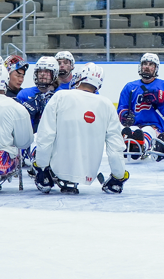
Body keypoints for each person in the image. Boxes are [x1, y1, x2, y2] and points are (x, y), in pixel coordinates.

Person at [32, 63, 129, 195]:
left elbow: (45, 136)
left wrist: (42, 167)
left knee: (34, 140)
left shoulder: (60, 96)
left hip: (57, 169)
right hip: (89, 174)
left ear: (80, 78)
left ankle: (44, 176)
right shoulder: (107, 105)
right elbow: (115, 146)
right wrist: (118, 176)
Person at [117, 53, 164, 157]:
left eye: (151, 64)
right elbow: (122, 107)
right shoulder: (130, 87)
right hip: (135, 125)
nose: (146, 67)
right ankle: (128, 144)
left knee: (148, 131)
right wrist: (124, 116)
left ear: (156, 68)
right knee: (130, 131)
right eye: (144, 64)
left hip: (155, 127)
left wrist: (162, 101)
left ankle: (141, 146)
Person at [17, 56, 59, 131]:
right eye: (40, 71)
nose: (42, 74)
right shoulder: (24, 94)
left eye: (46, 71)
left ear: (55, 73)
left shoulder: (61, 95)